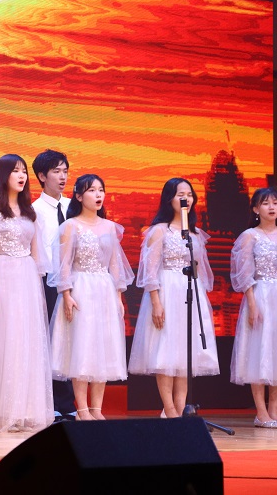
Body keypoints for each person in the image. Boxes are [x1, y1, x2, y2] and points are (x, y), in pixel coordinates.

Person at [128, 178, 219, 417]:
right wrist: (156, 302)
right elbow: (150, 271)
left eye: (189, 194)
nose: (186, 198)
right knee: (166, 350)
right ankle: (168, 409)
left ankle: (181, 408)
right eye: (180, 194)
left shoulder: (195, 234)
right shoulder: (159, 230)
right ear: (169, 199)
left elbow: (200, 270)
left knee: (184, 353)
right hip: (167, 290)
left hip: (190, 290)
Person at [0, 154, 54, 432]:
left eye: (24, 171)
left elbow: (37, 256)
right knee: (0, 342)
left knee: (25, 343)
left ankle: (23, 410)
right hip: (1, 278)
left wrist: (36, 290)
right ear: (3, 176)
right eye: (15, 171)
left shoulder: (30, 212)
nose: (21, 176)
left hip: (26, 281)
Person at [48, 174, 133, 421]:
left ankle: (97, 409)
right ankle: (82, 409)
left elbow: (115, 264)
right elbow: (63, 265)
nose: (98, 195)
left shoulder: (110, 227)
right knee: (82, 347)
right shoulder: (70, 226)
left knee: (102, 348)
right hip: (81, 289)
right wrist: (66, 294)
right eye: (92, 190)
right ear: (78, 196)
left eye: (101, 190)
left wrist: (118, 296)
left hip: (104, 290)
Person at [31, 149, 76, 421]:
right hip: (47, 281)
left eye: (65, 171)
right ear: (41, 176)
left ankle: (73, 402)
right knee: (50, 341)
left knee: (72, 340)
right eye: (56, 171)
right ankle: (54, 402)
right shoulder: (34, 210)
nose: (62, 177)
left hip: (74, 281)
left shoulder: (74, 207)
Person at [230, 187, 277, 428]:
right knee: (259, 352)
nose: (272, 207)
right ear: (256, 209)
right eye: (266, 203)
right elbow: (244, 272)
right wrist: (251, 302)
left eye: (275, 203)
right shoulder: (250, 236)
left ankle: (274, 409)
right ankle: (261, 412)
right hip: (260, 295)